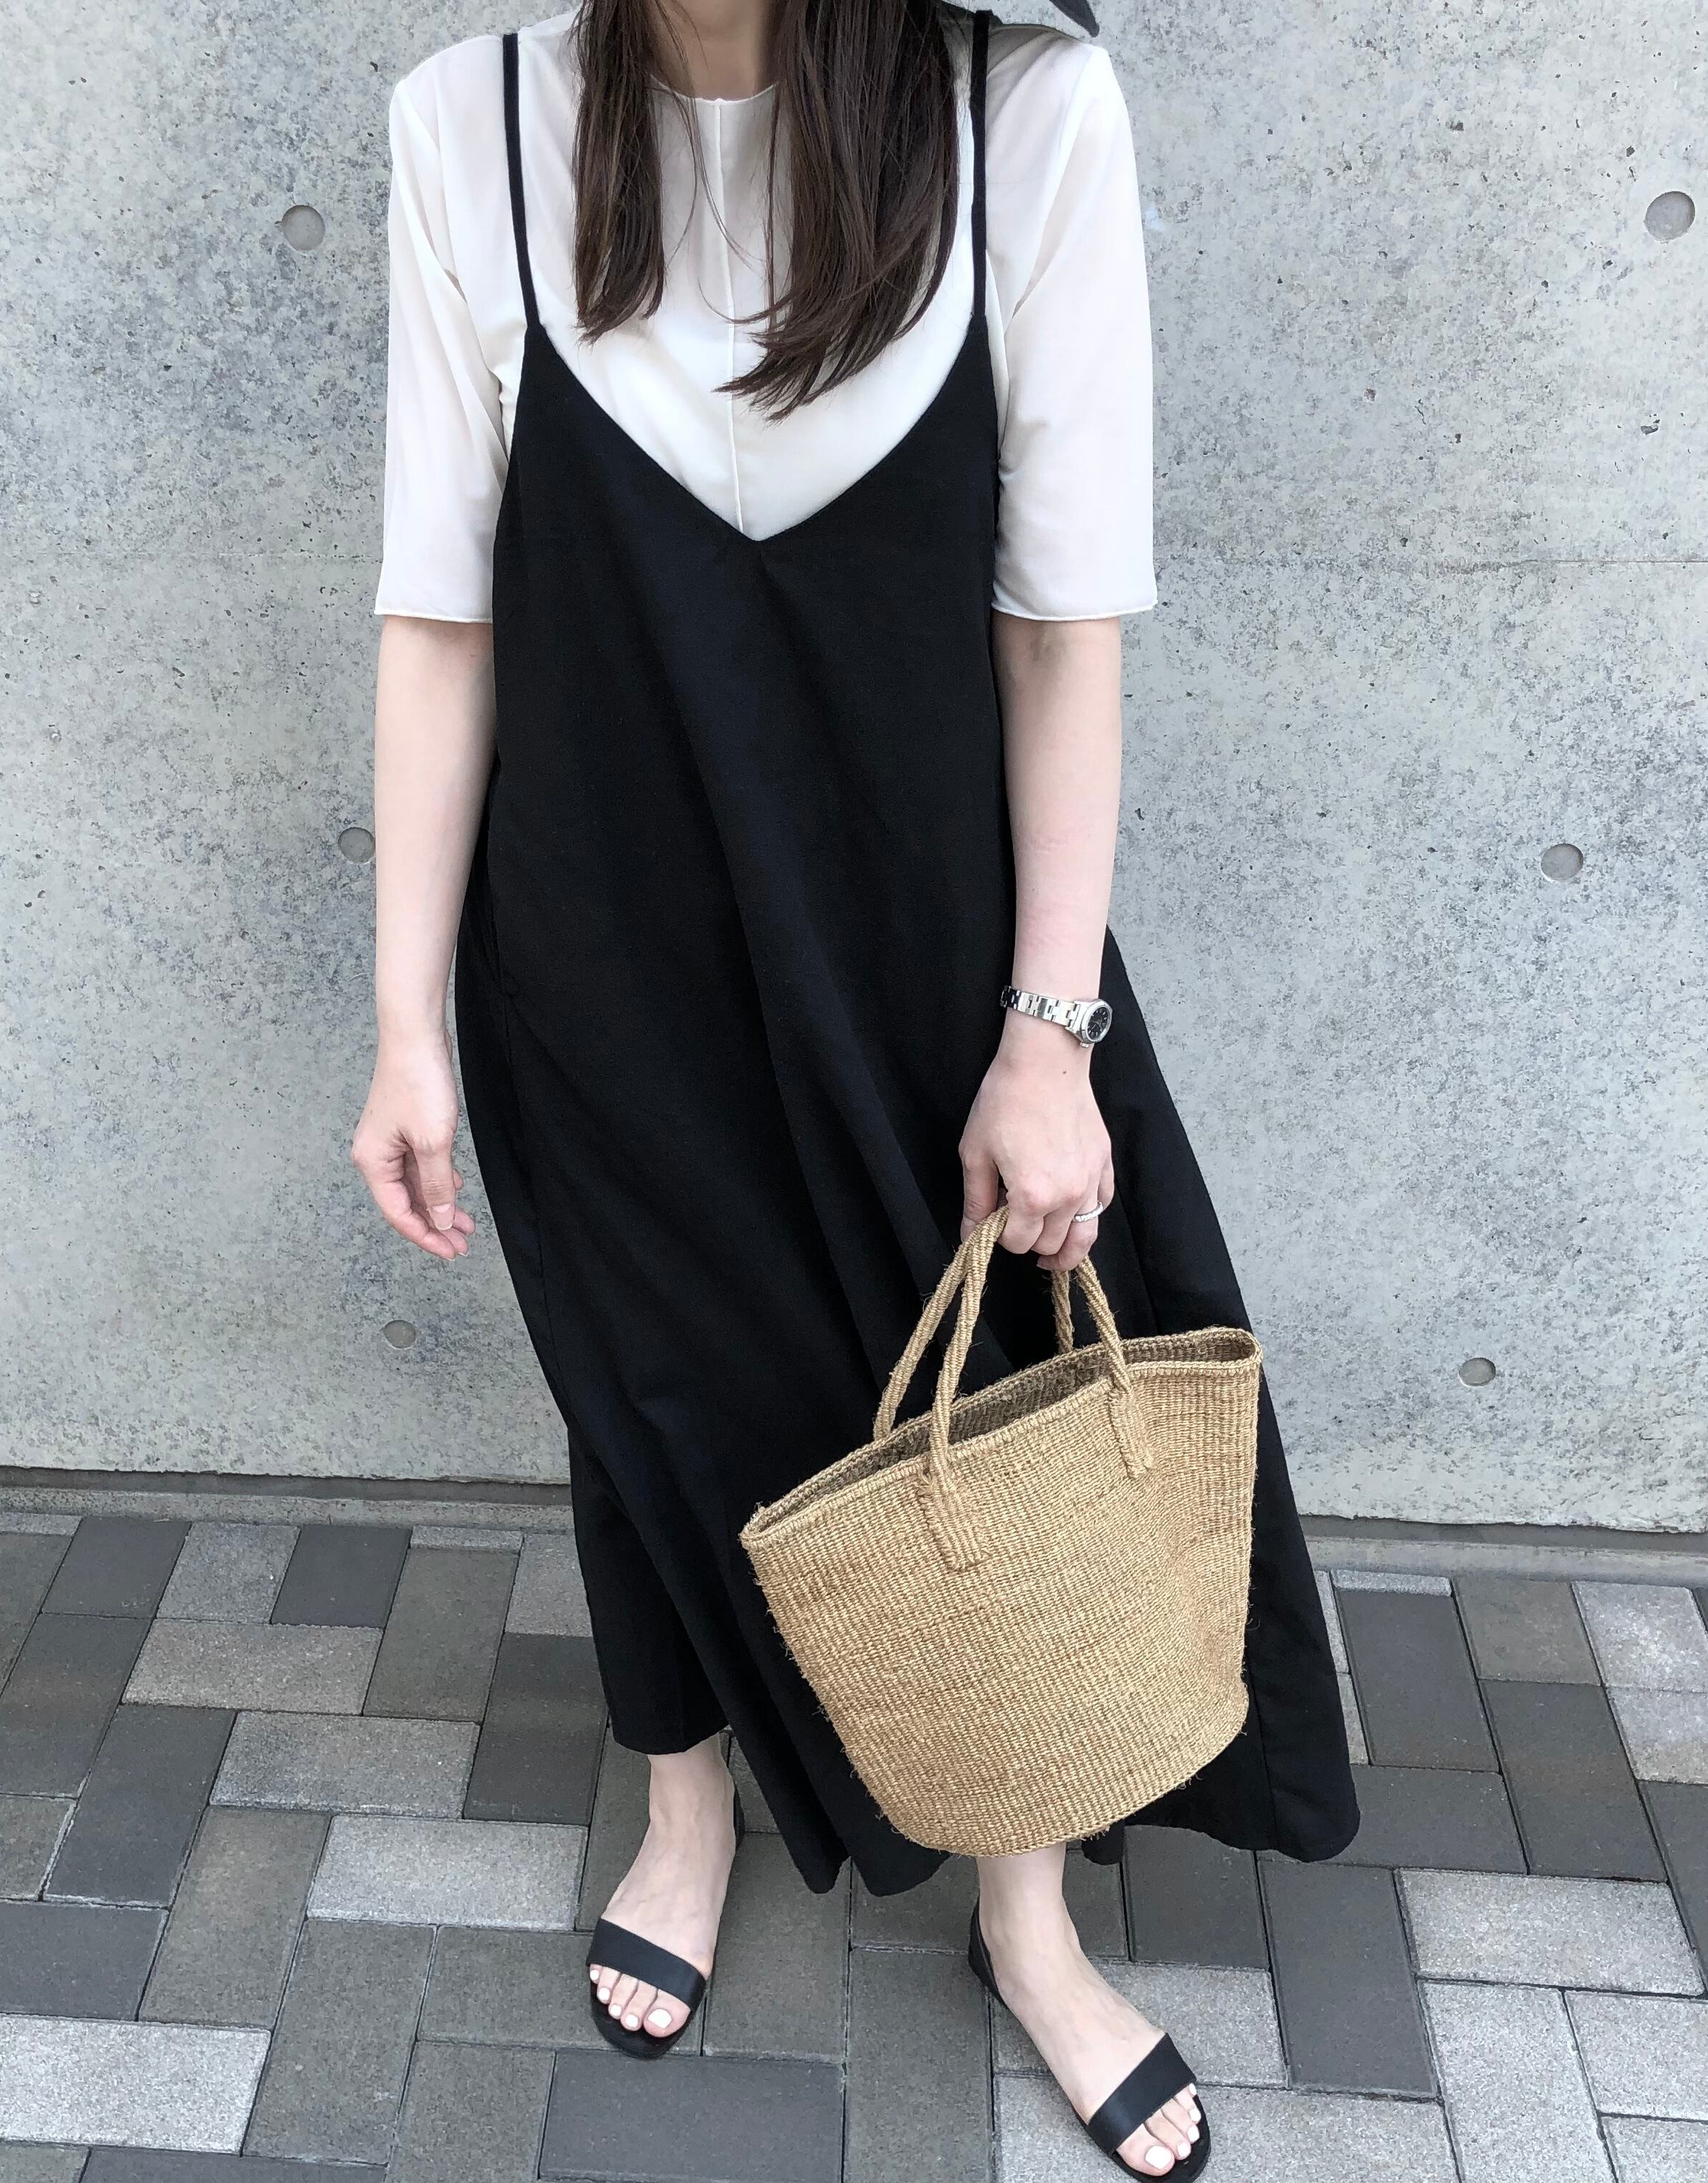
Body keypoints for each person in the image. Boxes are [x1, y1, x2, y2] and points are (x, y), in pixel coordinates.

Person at [354, 0, 1359, 2170]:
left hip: (930, 960)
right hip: (593, 965)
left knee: (986, 1410)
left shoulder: (1023, 115)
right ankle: (685, 1808)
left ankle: (1029, 1917)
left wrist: (1050, 1029)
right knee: (645, 1407)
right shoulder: (473, 122)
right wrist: (407, 1017)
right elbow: (443, 615)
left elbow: (1061, 627)